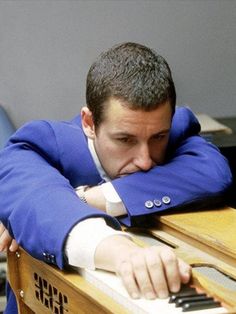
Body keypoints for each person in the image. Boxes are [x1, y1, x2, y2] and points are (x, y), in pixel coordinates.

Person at [0, 42, 232, 313]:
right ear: (89, 123)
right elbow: (37, 199)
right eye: (125, 139)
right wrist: (123, 254)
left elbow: (213, 171)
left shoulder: (175, 126)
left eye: (158, 137)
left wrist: (91, 197)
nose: (145, 160)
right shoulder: (38, 143)